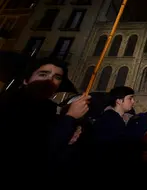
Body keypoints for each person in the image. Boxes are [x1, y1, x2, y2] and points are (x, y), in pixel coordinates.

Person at [0, 58, 89, 188]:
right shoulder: (10, 103)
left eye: (57, 77)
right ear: (26, 80)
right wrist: (69, 117)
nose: (49, 80)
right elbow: (35, 149)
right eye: (43, 74)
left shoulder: (48, 108)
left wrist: (69, 132)